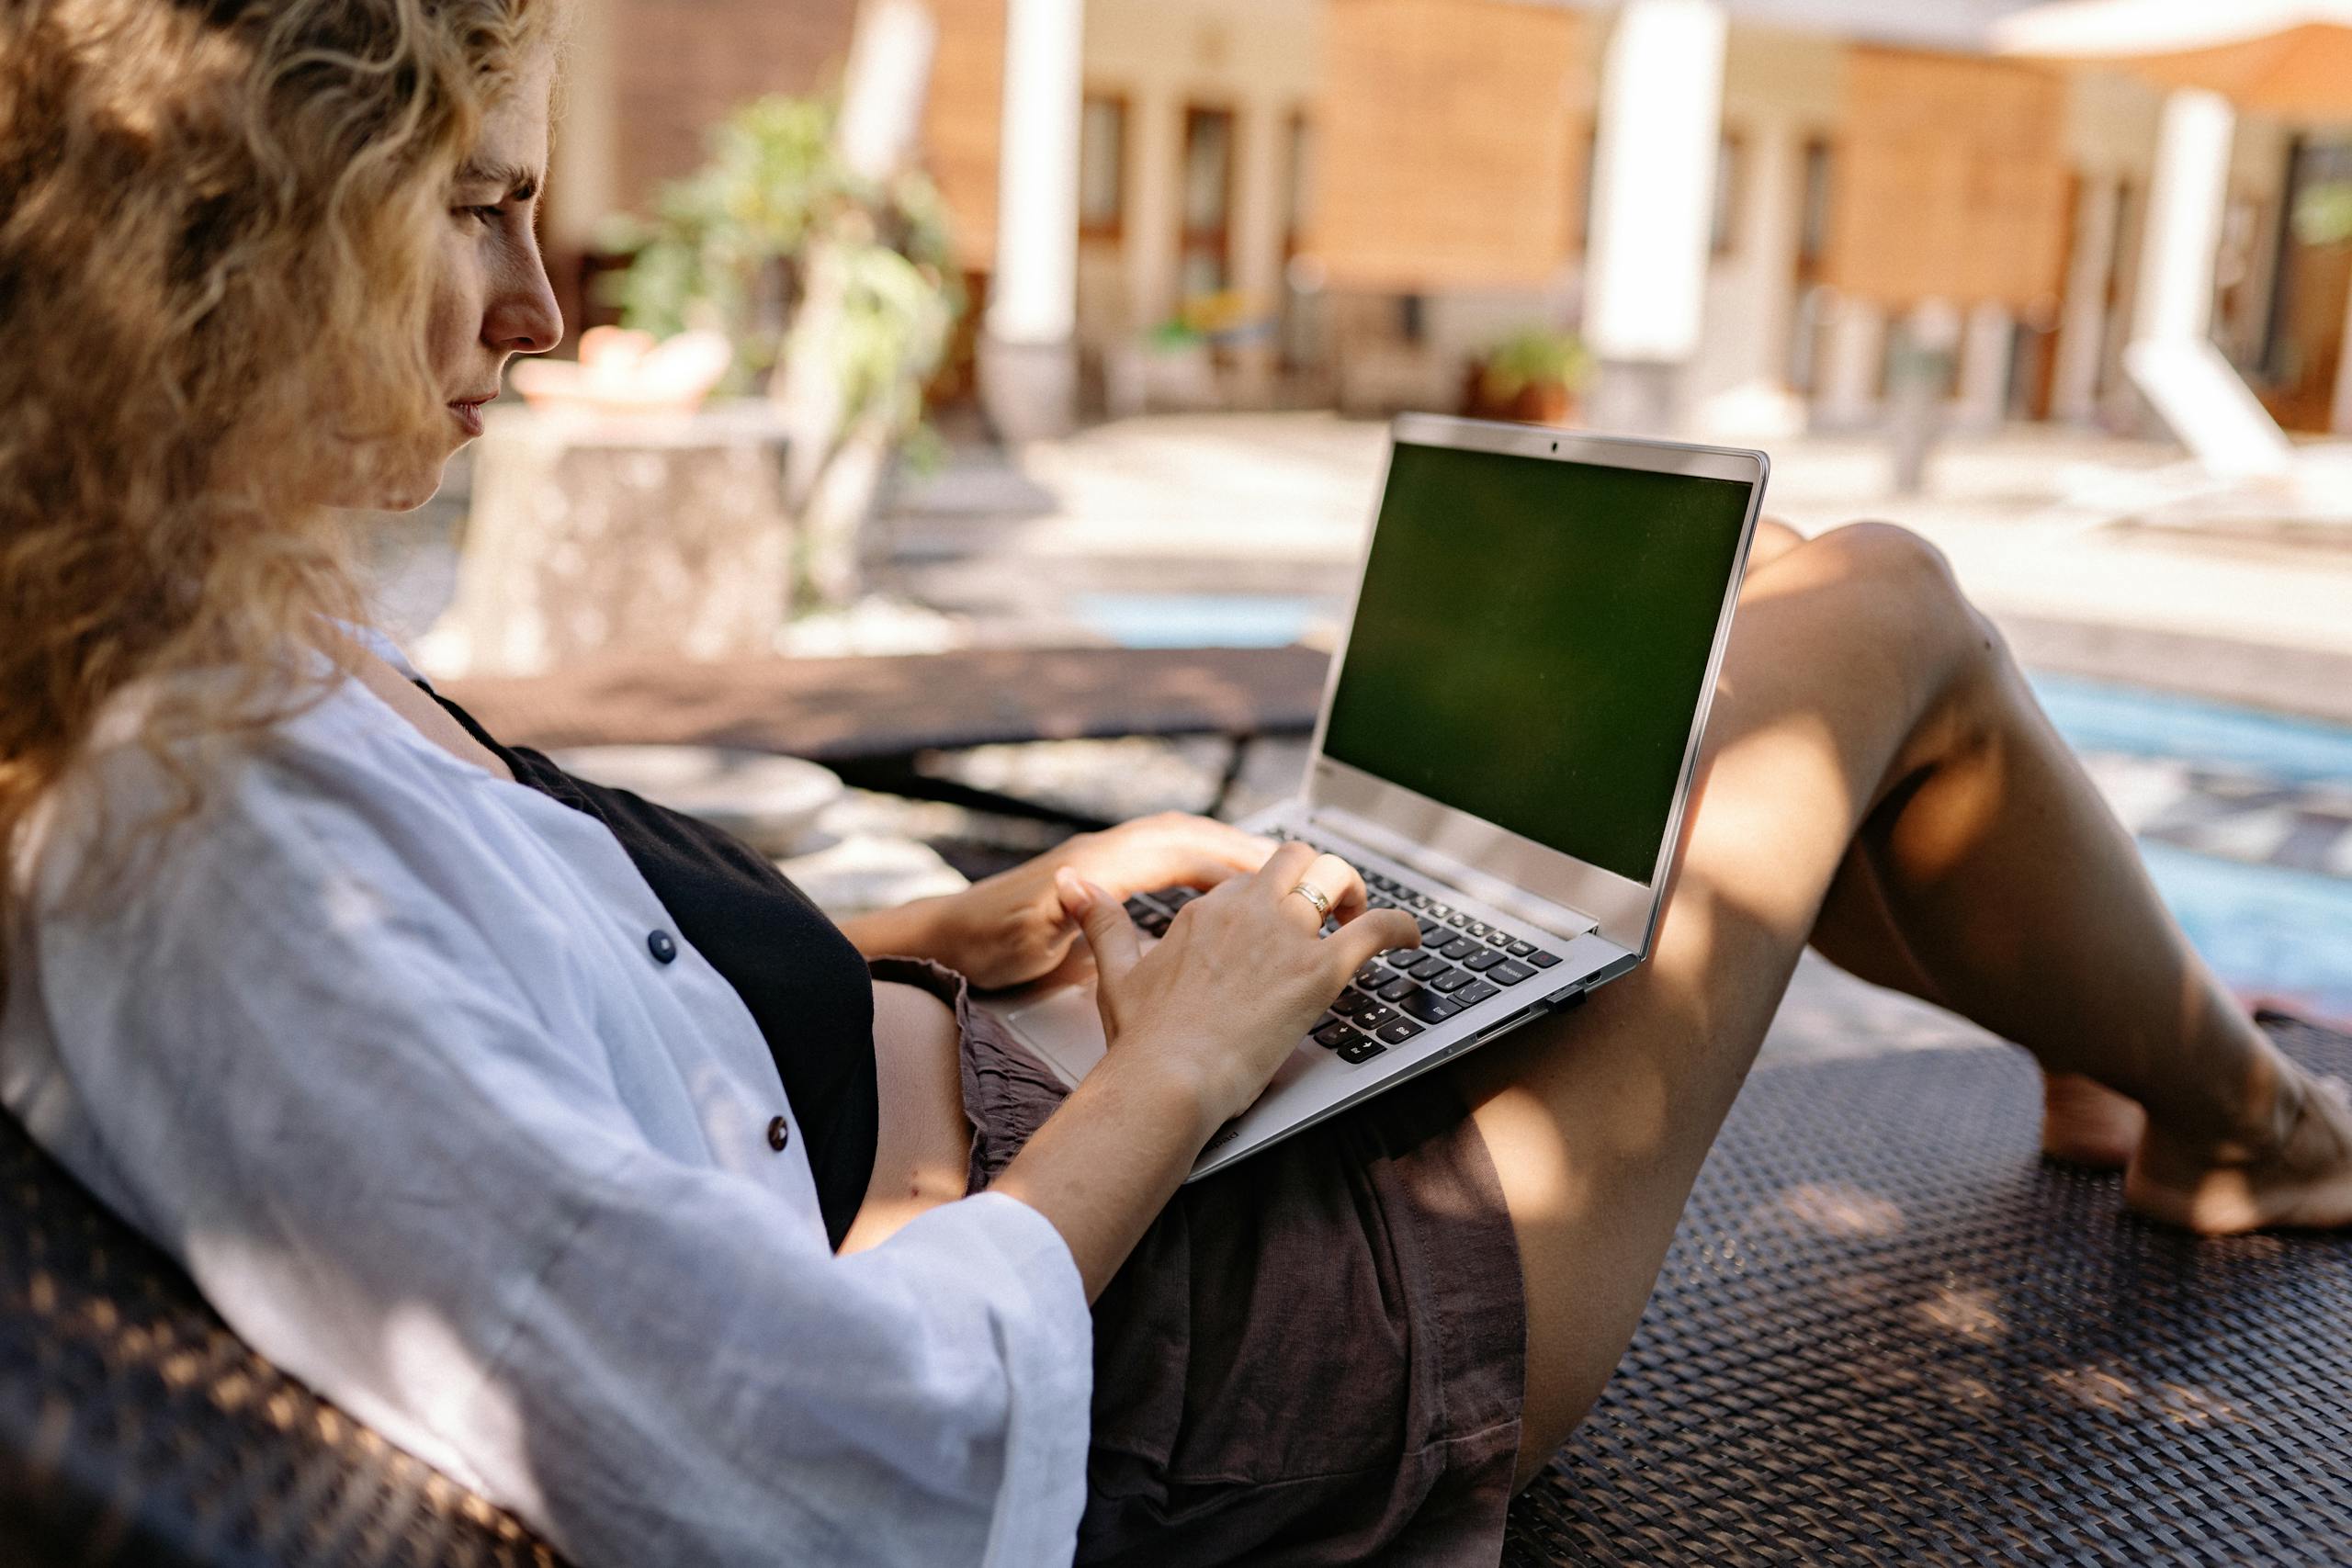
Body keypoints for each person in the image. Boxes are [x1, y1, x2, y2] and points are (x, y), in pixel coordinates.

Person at [4, 1, 2348, 1564]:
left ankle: (2130, 1077)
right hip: (1222, 1347)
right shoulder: (203, 852)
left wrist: (940, 942)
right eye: (472, 211)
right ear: (234, 235)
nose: (543, 305)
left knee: (1787, 613)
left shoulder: (200, 661)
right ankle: (2237, 1124)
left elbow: (561, 1010)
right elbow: (843, 1463)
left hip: (1057, 1123)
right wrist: (1198, 1049)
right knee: (1882, 604)